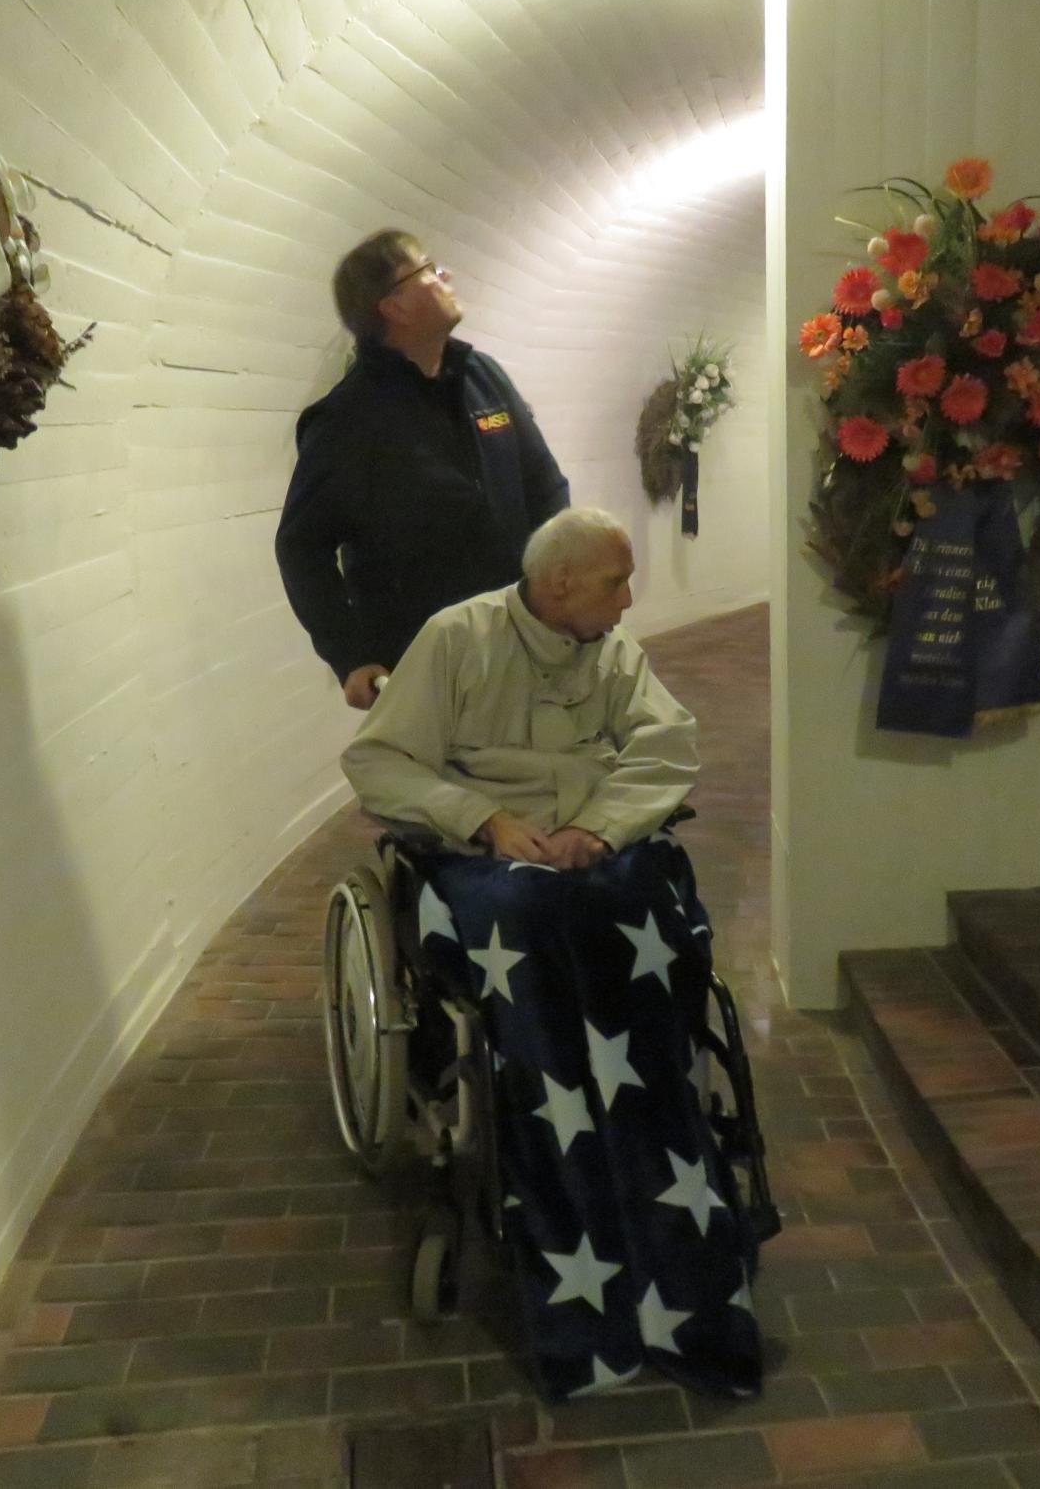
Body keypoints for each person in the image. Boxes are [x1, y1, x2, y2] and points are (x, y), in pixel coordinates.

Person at [342, 507, 764, 1401]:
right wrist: (484, 819)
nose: (629, 600)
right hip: (486, 858)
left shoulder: (614, 655)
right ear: (560, 581)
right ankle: (562, 1196)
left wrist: (600, 828)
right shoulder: (455, 640)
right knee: (528, 934)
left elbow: (667, 744)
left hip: (591, 851)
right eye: (617, 581)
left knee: (646, 923)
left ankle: (673, 1200)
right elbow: (378, 763)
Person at [277, 230, 570, 710]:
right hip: (425, 664)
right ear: (394, 306)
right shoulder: (347, 420)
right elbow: (301, 546)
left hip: (521, 635)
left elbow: (544, 485)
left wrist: (556, 582)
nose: (444, 275)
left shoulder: (483, 377)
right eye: (428, 269)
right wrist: (349, 655)